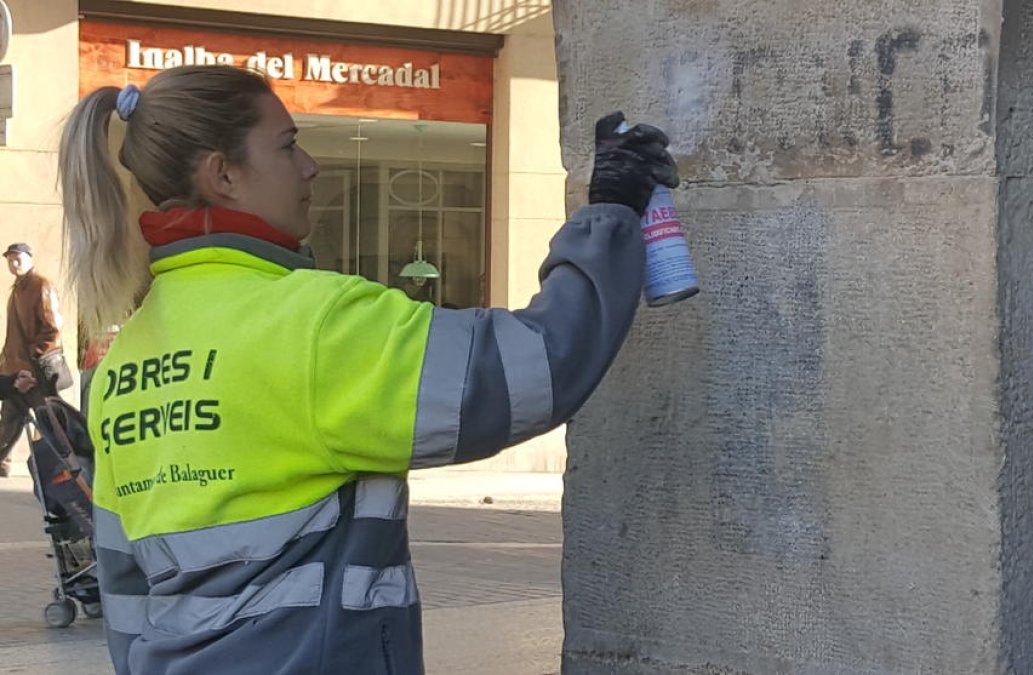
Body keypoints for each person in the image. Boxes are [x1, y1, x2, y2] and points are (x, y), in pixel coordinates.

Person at [58, 65, 677, 675]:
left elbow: (125, 592)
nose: (310, 167)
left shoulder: (124, 361)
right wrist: (612, 212)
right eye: (287, 145)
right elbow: (536, 367)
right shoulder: (316, 323)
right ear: (223, 174)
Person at [0, 243, 65, 476]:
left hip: (34, 370)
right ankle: (2, 461)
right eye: (9, 259)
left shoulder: (40, 286)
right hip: (15, 369)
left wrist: (34, 357)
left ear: (29, 258)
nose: (13, 263)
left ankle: (64, 462)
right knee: (9, 418)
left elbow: (53, 328)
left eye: (17, 259)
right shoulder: (17, 288)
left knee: (48, 420)